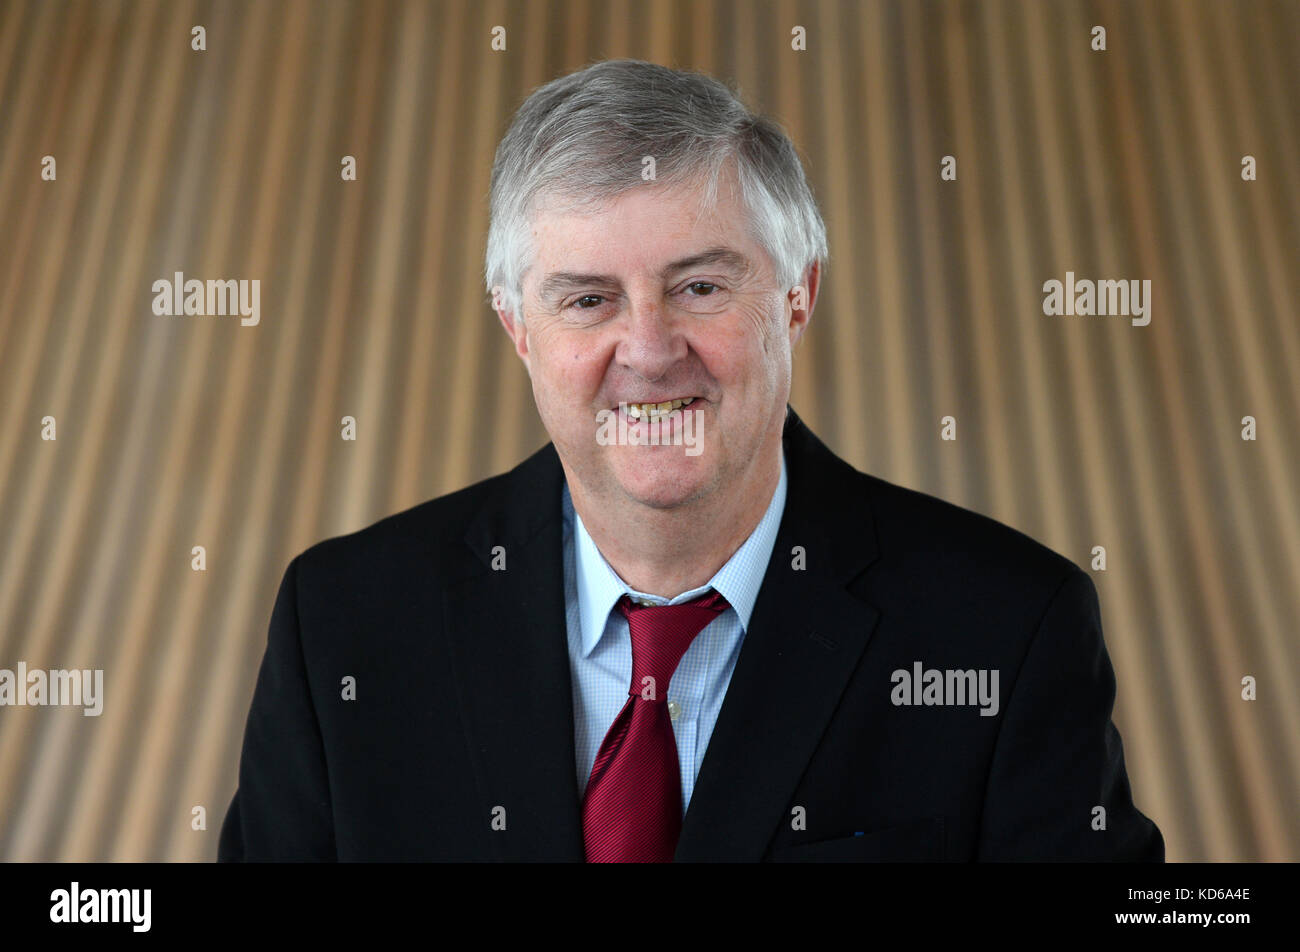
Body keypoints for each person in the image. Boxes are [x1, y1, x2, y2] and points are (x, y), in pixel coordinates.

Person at [218, 59, 1163, 862]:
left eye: (700, 286)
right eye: (587, 300)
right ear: (516, 327)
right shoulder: (343, 625)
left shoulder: (1006, 628)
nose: (649, 348)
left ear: (798, 295)